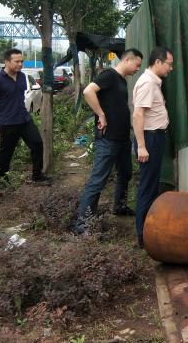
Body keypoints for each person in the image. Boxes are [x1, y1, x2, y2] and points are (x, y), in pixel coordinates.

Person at [73, 49, 144, 235]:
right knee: (97, 181)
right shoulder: (109, 76)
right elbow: (88, 91)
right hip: (108, 139)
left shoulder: (121, 80)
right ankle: (82, 225)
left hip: (122, 138)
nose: (138, 69)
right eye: (137, 65)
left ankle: (119, 206)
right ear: (127, 60)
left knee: (125, 173)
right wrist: (101, 114)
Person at [132, 46, 174, 248]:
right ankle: (143, 235)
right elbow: (138, 114)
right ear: (158, 62)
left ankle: (148, 229)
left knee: (151, 184)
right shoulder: (148, 83)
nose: (170, 68)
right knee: (147, 186)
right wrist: (141, 146)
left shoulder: (153, 82)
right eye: (169, 64)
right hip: (149, 138)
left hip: (154, 137)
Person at [0, 48, 48, 184]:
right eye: (17, 61)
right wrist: (1, 113)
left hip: (24, 119)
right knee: (6, 152)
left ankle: (37, 176)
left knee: (37, 144)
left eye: (22, 61)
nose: (20, 64)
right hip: (8, 122)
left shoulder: (22, 76)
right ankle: (2, 181)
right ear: (7, 62)